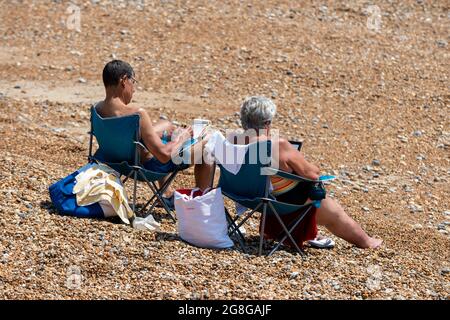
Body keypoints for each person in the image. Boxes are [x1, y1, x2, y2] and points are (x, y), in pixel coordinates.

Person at [231, 96, 383, 249]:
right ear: (267, 123)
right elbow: (312, 174)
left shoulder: (234, 141)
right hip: (281, 202)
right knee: (332, 209)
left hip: (249, 197)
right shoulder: (277, 144)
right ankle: (366, 241)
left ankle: (304, 233)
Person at [94, 60, 213, 207]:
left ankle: (166, 193)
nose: (134, 88)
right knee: (208, 144)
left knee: (166, 125)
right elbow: (163, 156)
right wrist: (183, 137)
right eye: (133, 81)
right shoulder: (137, 114)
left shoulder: (97, 110)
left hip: (118, 161)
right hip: (148, 167)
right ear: (124, 80)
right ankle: (202, 203)